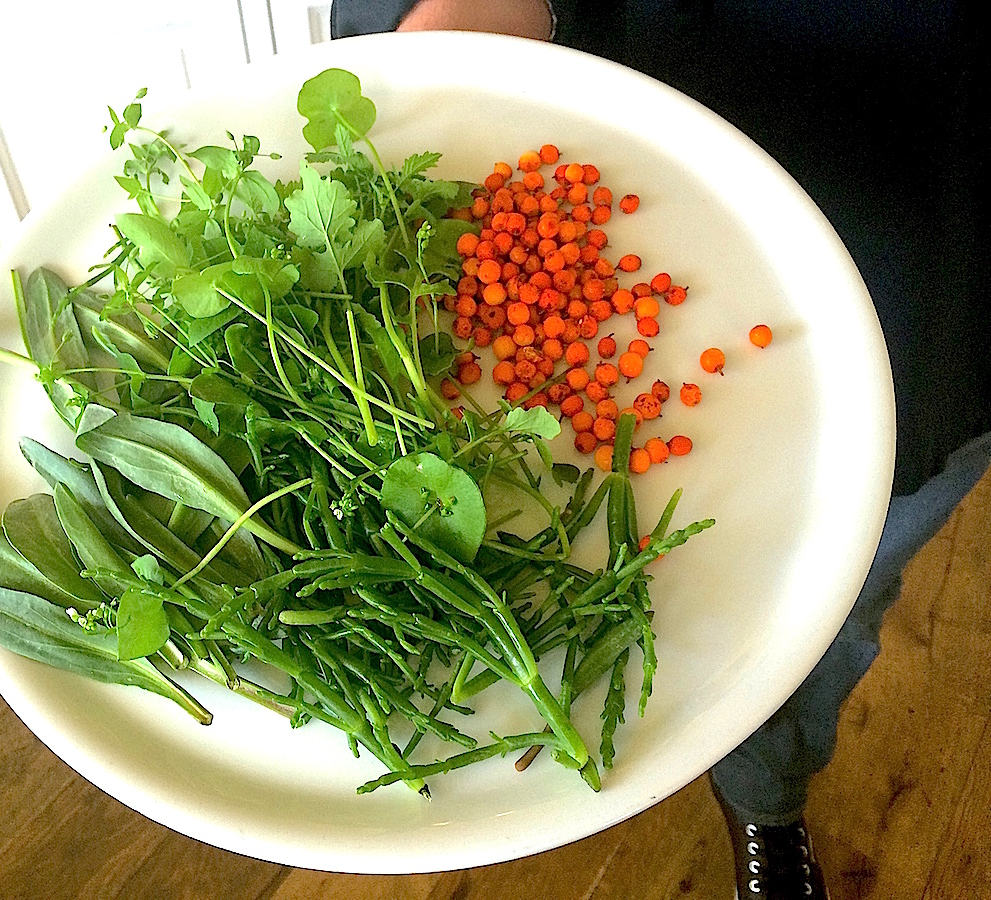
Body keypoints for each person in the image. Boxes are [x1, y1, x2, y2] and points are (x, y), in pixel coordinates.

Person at [331, 2, 991, 897]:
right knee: (554, 532)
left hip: (942, 251)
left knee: (831, 601)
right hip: (631, 95)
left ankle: (766, 799)